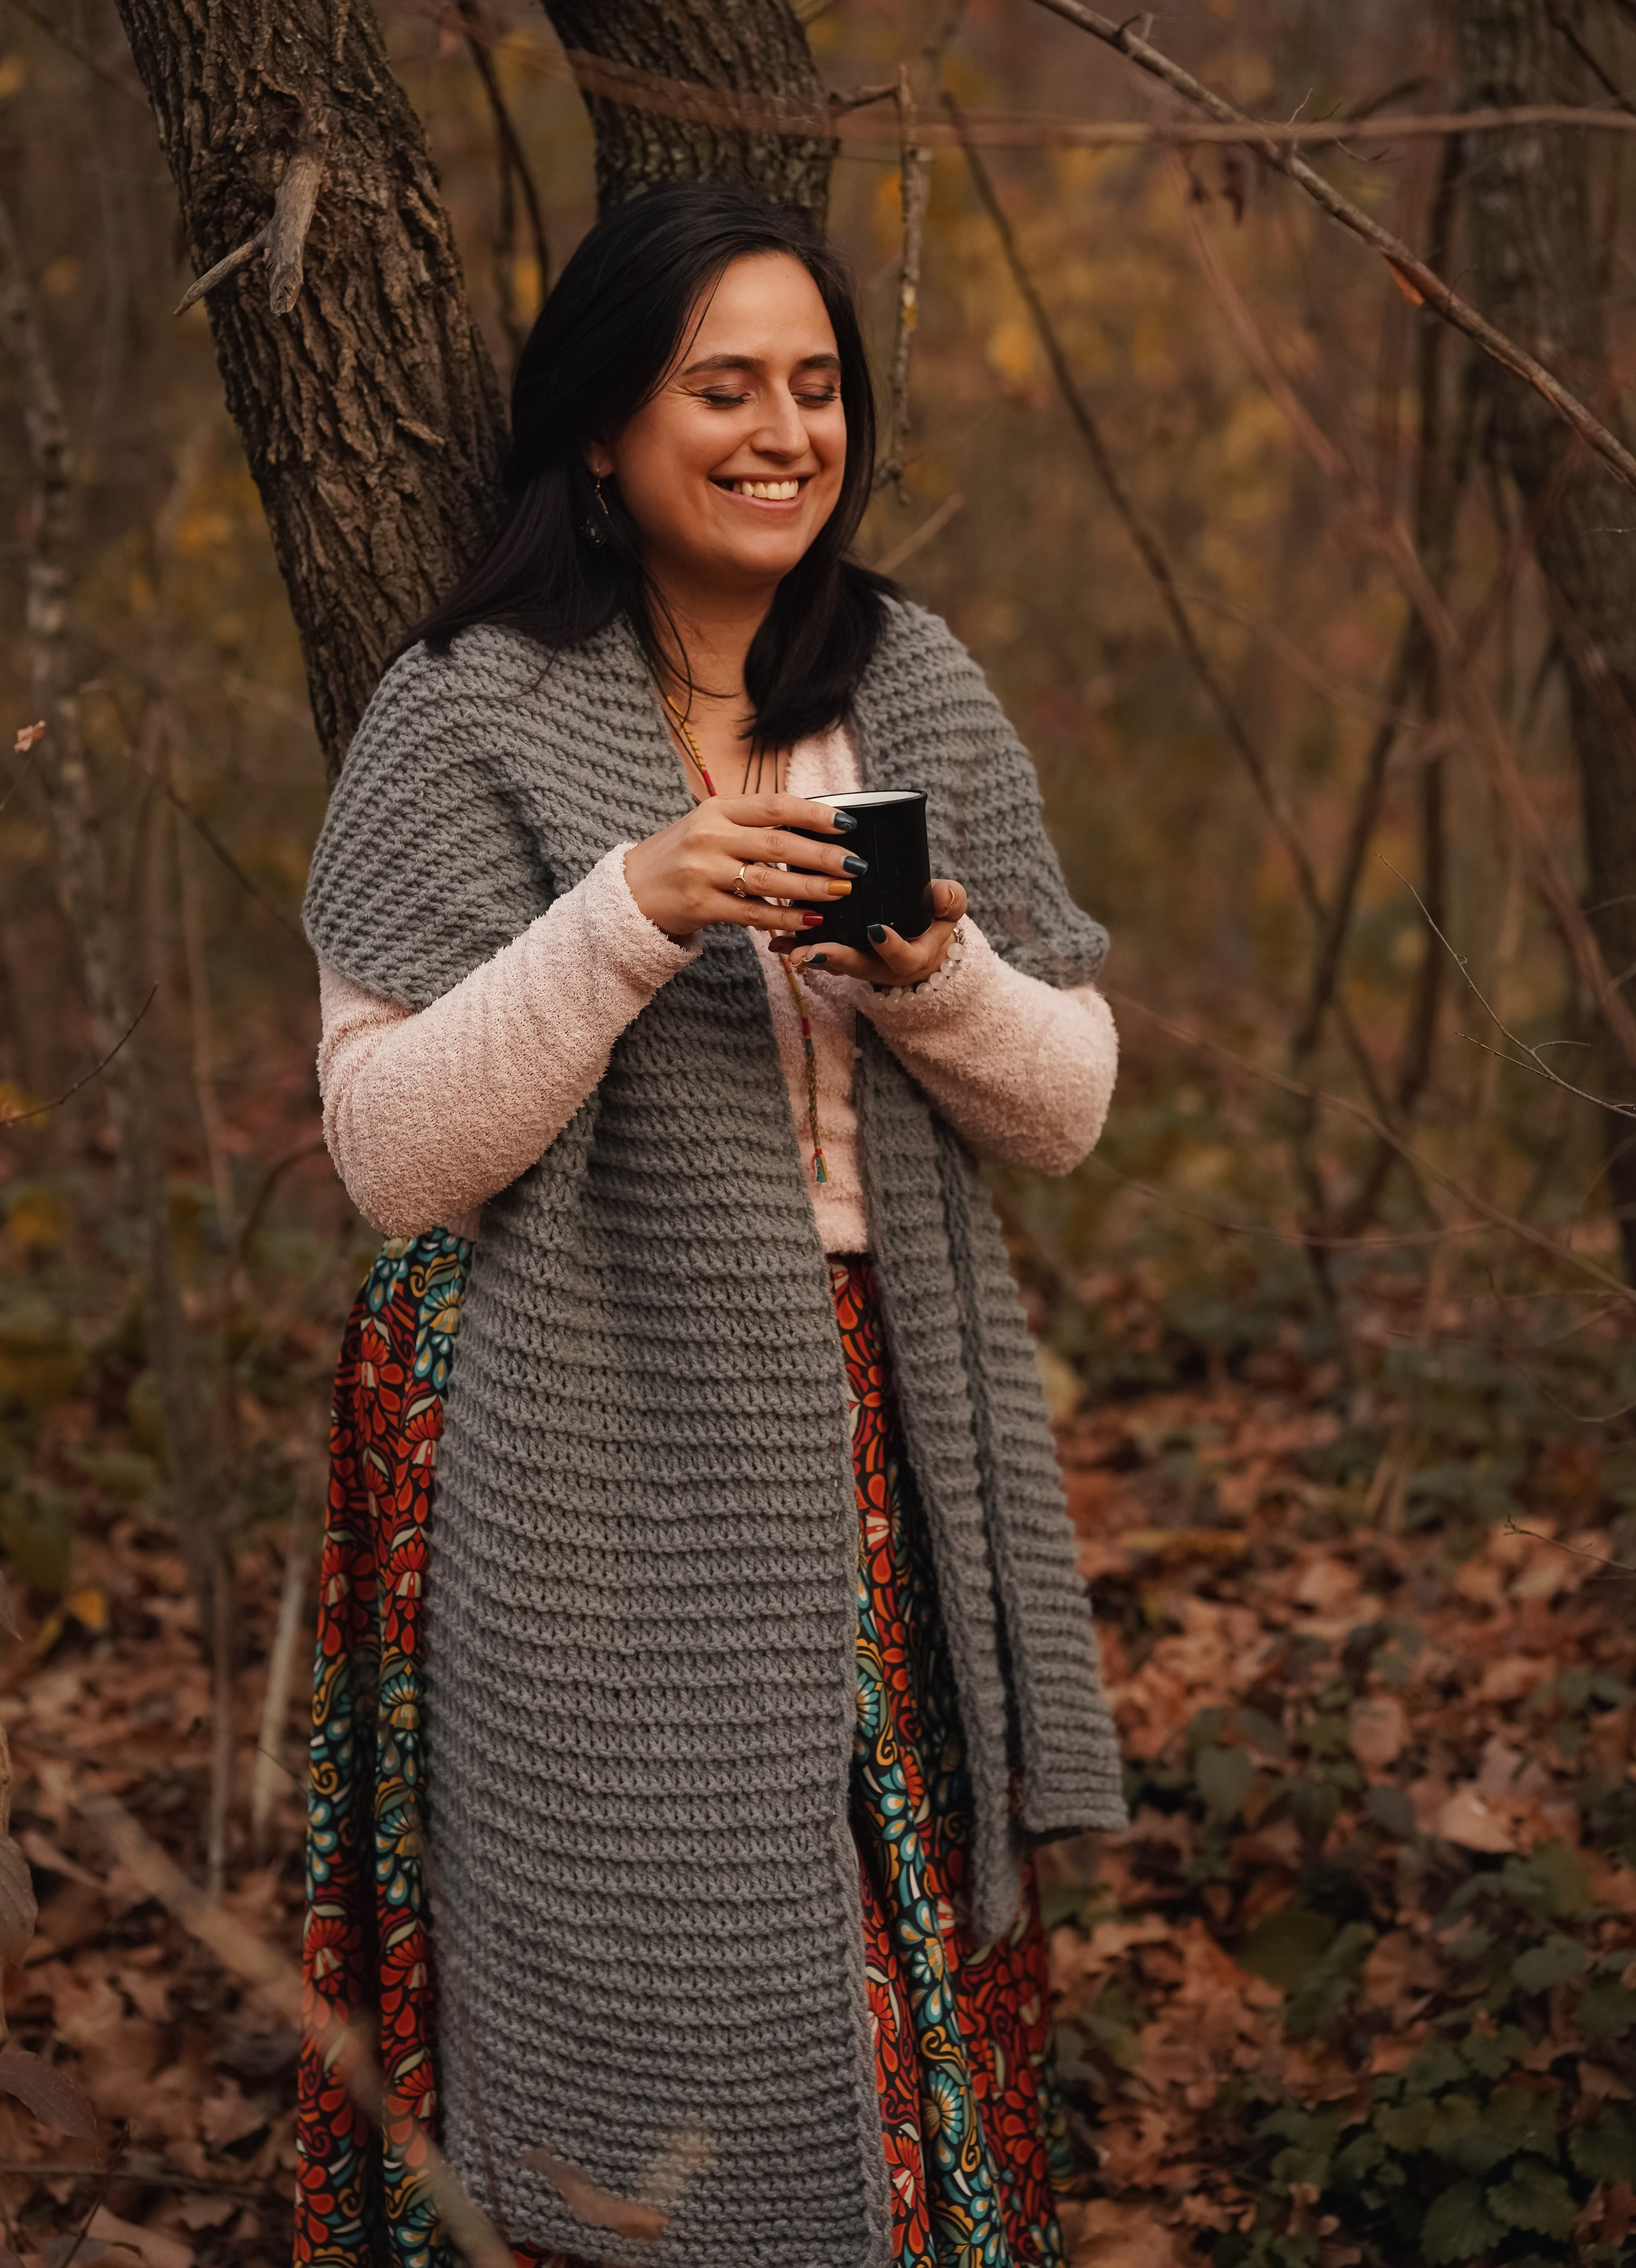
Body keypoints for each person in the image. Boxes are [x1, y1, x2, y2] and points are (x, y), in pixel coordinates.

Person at [295, 181, 1125, 2268]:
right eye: (722, 385)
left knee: (874, 1949)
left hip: (878, 1432)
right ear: (601, 425)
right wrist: (628, 914)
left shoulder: (904, 681)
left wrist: (933, 973)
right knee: (638, 1978)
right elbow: (390, 1151)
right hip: (581, 1442)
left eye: (818, 387)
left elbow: (1072, 1104)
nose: (783, 432)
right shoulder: (468, 710)